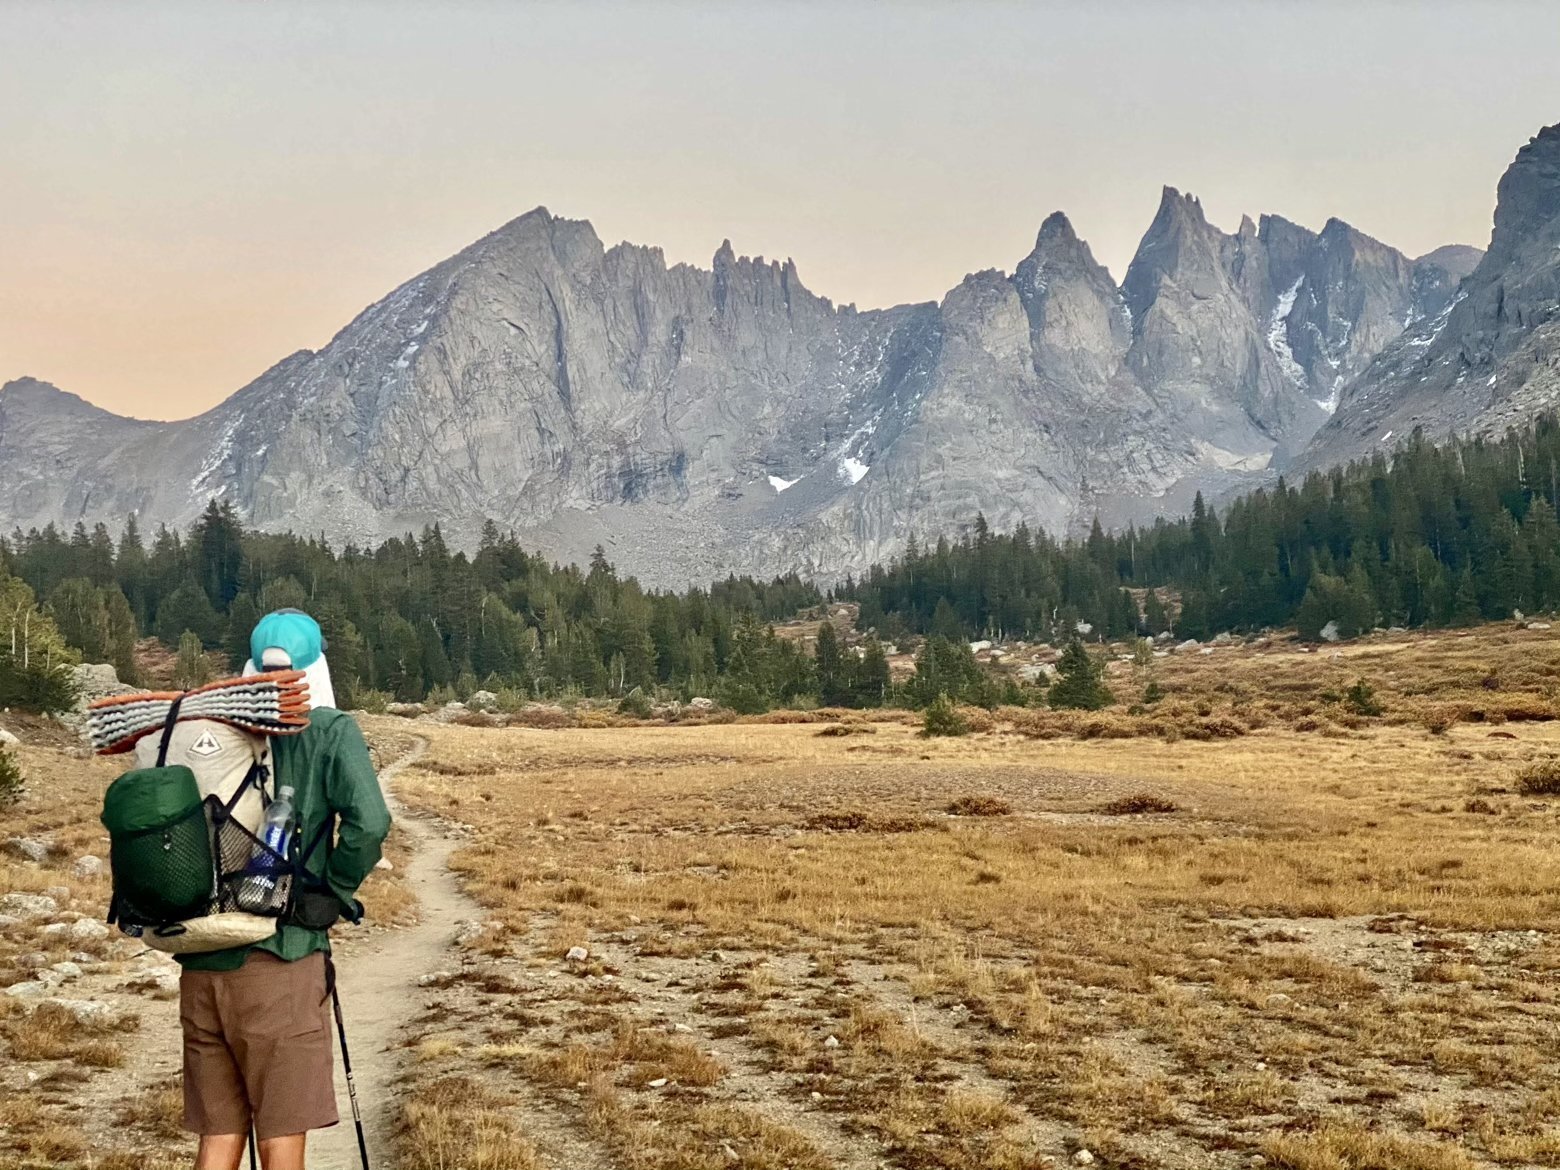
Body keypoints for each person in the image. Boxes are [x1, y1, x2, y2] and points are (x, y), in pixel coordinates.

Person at [177, 610, 392, 1170]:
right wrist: (333, 890)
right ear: (317, 667)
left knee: (218, 1137)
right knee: (280, 1137)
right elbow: (369, 823)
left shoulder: (216, 732)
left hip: (203, 961)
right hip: (281, 957)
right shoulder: (329, 731)